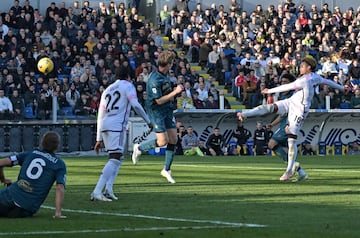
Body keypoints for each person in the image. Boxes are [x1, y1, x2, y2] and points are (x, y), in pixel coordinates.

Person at [237, 56, 345, 181]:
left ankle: (289, 170)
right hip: (291, 102)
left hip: (299, 111)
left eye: (303, 66)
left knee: (291, 140)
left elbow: (287, 87)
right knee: (269, 107)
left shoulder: (304, 80)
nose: (300, 68)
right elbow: (328, 82)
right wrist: (342, 88)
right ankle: (244, 114)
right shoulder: (315, 76)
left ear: (309, 67)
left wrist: (269, 91)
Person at [91, 66, 152, 202]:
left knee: (118, 158)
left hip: (106, 125)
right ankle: (97, 190)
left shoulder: (107, 89)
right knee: (114, 158)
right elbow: (135, 105)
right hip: (117, 126)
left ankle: (108, 189)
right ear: (129, 76)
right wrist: (148, 120)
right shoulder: (128, 86)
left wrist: (98, 137)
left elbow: (100, 114)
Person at [132, 51, 184, 184]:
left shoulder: (164, 74)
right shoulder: (154, 79)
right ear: (167, 64)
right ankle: (139, 148)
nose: (172, 65)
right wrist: (175, 92)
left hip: (167, 109)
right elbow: (158, 101)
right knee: (162, 142)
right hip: (156, 111)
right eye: (171, 63)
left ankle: (166, 169)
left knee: (173, 139)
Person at [0, 131, 66, 218]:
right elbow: (60, 187)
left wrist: (3, 179)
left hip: (5, 198)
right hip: (24, 209)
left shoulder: (29, 154)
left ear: (42, 142)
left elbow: (1, 163)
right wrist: (58, 213)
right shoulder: (59, 164)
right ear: (57, 146)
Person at [266, 74, 308, 182]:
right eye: (282, 82)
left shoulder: (293, 96)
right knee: (285, 150)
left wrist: (288, 124)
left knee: (271, 144)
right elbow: (282, 115)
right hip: (284, 125)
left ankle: (294, 165)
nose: (283, 84)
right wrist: (272, 124)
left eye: (285, 82)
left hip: (288, 126)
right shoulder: (284, 97)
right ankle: (301, 172)